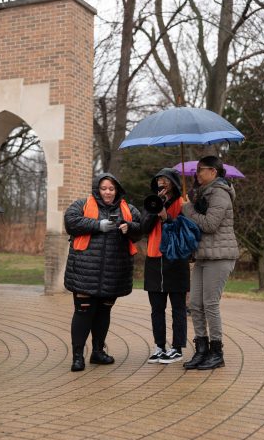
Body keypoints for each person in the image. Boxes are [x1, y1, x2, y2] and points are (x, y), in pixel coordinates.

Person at [64, 172, 141, 372]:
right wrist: (97, 225)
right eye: (104, 188)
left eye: (111, 189)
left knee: (103, 312)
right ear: (97, 189)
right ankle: (77, 357)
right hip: (84, 271)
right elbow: (70, 222)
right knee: (83, 312)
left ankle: (98, 352)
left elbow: (140, 230)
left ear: (117, 190)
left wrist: (129, 227)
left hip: (114, 272)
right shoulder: (81, 204)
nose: (107, 192)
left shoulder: (129, 209)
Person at [182, 155, 239, 370]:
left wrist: (188, 209)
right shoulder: (202, 193)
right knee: (195, 304)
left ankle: (217, 352)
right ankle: (201, 350)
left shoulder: (221, 193)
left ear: (213, 172)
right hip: (204, 255)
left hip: (221, 256)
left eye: (201, 169)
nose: (197, 173)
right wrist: (191, 202)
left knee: (210, 304)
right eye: (196, 170)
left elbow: (210, 224)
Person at [141, 168, 190, 364]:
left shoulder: (183, 202)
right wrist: (156, 208)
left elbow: (185, 230)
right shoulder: (152, 201)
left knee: (178, 307)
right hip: (154, 258)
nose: (162, 183)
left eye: (166, 180)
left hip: (176, 259)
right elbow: (144, 228)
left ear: (174, 183)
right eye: (159, 180)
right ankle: (159, 346)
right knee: (157, 308)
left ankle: (177, 348)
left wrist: (166, 217)